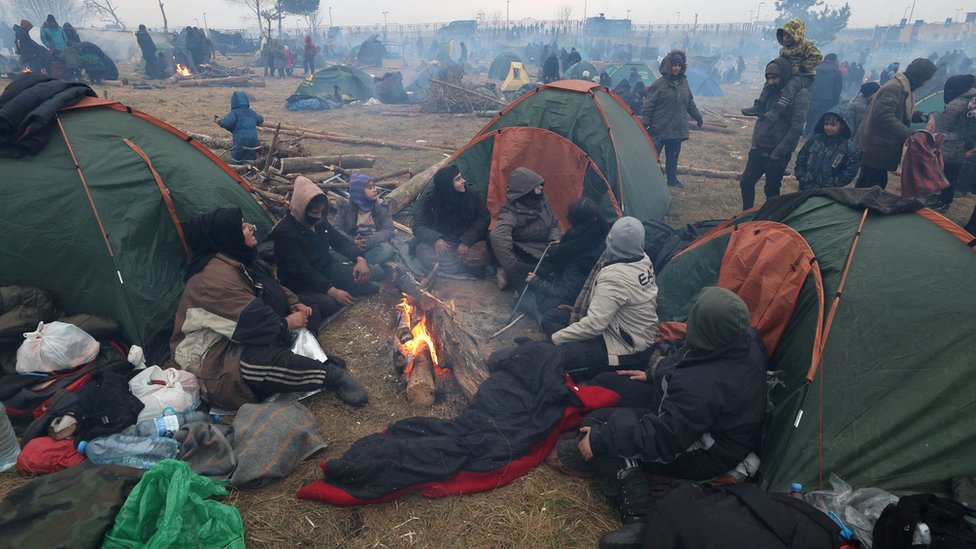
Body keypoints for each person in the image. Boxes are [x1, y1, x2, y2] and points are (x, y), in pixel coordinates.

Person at [553, 287, 767, 549]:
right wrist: (654, 373)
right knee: (611, 385)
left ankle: (640, 517)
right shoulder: (741, 339)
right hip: (689, 418)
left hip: (704, 448)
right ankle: (600, 449)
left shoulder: (703, 386)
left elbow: (665, 438)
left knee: (599, 431)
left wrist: (601, 439)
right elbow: (689, 356)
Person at [169, 207, 368, 409]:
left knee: (309, 310)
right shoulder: (212, 280)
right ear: (227, 235)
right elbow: (252, 320)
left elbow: (272, 287)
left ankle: (313, 359)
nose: (251, 228)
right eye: (243, 226)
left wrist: (293, 303)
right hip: (214, 352)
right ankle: (329, 375)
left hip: (243, 331)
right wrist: (287, 322)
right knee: (257, 364)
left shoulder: (241, 260)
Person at [551, 217, 658, 382]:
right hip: (633, 333)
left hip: (627, 351)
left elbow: (594, 326)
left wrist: (555, 338)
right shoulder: (643, 258)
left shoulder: (614, 277)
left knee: (554, 360)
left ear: (611, 241)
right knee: (553, 316)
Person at [272, 176, 381, 319]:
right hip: (301, 283)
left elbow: (338, 240)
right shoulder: (284, 232)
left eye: (321, 212)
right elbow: (302, 270)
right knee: (331, 304)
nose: (318, 216)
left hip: (327, 269)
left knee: (371, 283)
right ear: (302, 208)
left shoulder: (319, 221)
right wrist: (333, 291)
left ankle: (348, 285)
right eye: (314, 213)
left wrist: (359, 258)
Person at [516, 197, 608, 337]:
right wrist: (563, 244)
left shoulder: (577, 258)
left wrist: (536, 281)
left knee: (544, 301)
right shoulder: (599, 232)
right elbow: (578, 242)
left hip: (574, 296)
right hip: (570, 280)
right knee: (520, 270)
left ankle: (538, 311)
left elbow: (566, 291)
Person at [854, 57, 937, 189]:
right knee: (870, 185)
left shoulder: (905, 89)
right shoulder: (895, 88)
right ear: (919, 77)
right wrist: (910, 133)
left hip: (882, 147)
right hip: (875, 146)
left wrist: (923, 116)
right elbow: (883, 116)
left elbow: (902, 113)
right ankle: (858, 209)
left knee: (875, 184)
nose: (925, 83)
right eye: (925, 79)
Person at [739, 57, 810, 210]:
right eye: (768, 78)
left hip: (778, 151)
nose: (771, 82)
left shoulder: (799, 95)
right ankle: (746, 215)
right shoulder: (769, 92)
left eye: (775, 78)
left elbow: (796, 128)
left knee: (771, 188)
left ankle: (771, 218)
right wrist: (754, 144)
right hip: (760, 147)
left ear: (784, 75)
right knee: (746, 182)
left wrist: (778, 152)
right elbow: (761, 118)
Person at [411, 164, 491, 277]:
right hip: (445, 244)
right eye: (458, 179)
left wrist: (466, 240)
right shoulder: (432, 199)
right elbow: (418, 225)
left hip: (469, 242)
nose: (463, 181)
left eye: (461, 177)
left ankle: (449, 266)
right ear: (447, 185)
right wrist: (436, 239)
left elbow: (484, 218)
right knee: (422, 251)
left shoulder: (472, 195)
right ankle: (465, 267)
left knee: (483, 253)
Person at [490, 168, 560, 292]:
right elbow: (498, 236)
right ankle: (508, 273)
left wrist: (554, 238)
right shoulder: (512, 212)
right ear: (526, 190)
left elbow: (553, 222)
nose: (541, 188)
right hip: (526, 252)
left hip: (545, 248)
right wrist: (512, 265)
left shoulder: (542, 203)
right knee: (547, 273)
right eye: (536, 185)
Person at [642, 50, 703, 188]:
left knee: (673, 156)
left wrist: (697, 116)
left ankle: (672, 179)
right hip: (659, 128)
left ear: (682, 67)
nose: (676, 68)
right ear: (669, 65)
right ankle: (647, 180)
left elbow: (690, 102)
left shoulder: (684, 83)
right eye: (674, 65)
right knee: (652, 157)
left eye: (679, 65)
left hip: (676, 128)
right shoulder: (659, 84)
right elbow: (649, 104)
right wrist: (645, 122)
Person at [741, 18, 821, 122]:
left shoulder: (807, 45)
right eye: (784, 35)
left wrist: (802, 68)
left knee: (791, 87)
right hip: (789, 74)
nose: (785, 37)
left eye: (789, 34)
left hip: (804, 76)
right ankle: (759, 106)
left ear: (796, 34)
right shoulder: (784, 49)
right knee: (769, 83)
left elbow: (817, 57)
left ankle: (776, 111)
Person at [932, 74, 976, 211]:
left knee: (946, 173)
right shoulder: (971, 100)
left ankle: (943, 201)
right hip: (962, 146)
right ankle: (944, 199)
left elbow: (944, 126)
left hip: (951, 145)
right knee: (953, 173)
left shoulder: (957, 104)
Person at [335, 173, 396, 268]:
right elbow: (336, 229)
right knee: (331, 248)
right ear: (358, 192)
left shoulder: (381, 206)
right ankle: (363, 263)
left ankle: (357, 263)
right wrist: (351, 240)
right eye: (369, 187)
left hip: (373, 245)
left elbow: (388, 230)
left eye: (374, 186)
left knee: (387, 249)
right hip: (352, 245)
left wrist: (369, 241)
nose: (374, 190)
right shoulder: (345, 207)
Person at [794, 110, 861, 191]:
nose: (828, 127)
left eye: (833, 125)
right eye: (826, 124)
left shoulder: (850, 149)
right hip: (804, 187)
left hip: (828, 192)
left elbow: (850, 170)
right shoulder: (814, 140)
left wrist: (834, 183)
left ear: (842, 125)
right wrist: (801, 175)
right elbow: (801, 158)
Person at [216, 91, 263, 164]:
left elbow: (226, 123)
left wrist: (218, 121)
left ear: (233, 102)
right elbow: (260, 120)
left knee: (236, 157)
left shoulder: (235, 112)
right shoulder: (251, 112)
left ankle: (236, 170)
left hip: (240, 141)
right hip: (253, 141)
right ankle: (250, 170)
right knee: (250, 158)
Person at [804, 53, 844, 138]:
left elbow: (809, 84)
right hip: (828, 99)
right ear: (835, 61)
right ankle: (813, 134)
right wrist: (835, 100)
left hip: (813, 97)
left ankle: (806, 132)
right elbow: (838, 88)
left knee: (810, 115)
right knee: (821, 117)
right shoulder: (837, 72)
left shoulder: (815, 69)